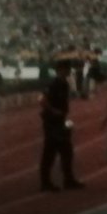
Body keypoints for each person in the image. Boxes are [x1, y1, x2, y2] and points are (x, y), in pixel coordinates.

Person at [40, 59, 84, 192]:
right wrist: (54, 111)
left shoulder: (65, 83)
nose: (69, 71)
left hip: (61, 121)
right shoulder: (53, 84)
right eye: (67, 68)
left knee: (66, 152)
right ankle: (46, 183)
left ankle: (68, 180)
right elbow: (42, 100)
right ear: (60, 69)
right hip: (52, 122)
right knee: (50, 152)